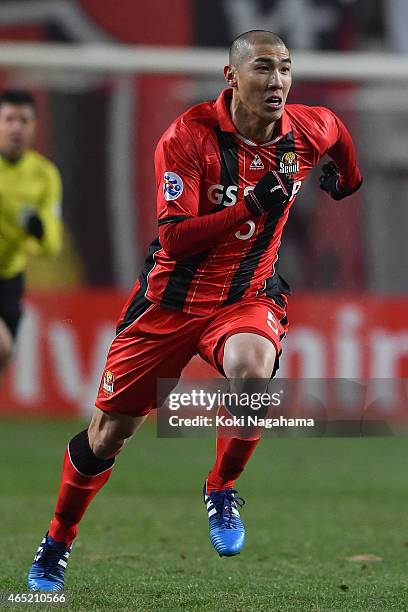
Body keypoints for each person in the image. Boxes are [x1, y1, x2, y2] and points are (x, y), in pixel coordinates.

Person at [28, 30, 362, 591]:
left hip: (246, 296)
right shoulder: (188, 137)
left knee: (253, 375)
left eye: (285, 68)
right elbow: (175, 239)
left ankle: (221, 487)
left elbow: (340, 138)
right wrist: (254, 204)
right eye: (263, 68)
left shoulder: (309, 127)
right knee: (109, 434)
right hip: (170, 303)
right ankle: (56, 542)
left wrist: (345, 180)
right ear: (231, 77)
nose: (277, 80)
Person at [0, 90, 63, 375]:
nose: (16, 127)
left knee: (3, 356)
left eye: (24, 120)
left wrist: (39, 231)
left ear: (34, 126)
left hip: (10, 278)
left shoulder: (44, 174)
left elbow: (52, 244)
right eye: (9, 119)